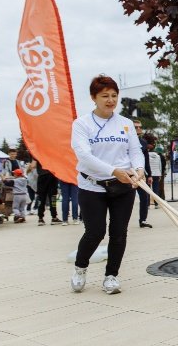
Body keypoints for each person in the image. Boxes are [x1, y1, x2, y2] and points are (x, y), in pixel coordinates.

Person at [70, 74, 146, 295]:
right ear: (94, 97)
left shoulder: (125, 123)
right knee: (95, 232)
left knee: (119, 232)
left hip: (124, 186)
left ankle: (111, 276)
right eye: (105, 96)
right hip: (92, 185)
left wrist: (139, 169)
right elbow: (84, 156)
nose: (110, 100)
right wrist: (113, 171)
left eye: (114, 95)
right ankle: (80, 268)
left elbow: (135, 151)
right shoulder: (81, 124)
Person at [133, 120, 153, 228]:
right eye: (136, 127)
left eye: (140, 127)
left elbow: (146, 159)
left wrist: (149, 174)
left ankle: (143, 220)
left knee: (145, 197)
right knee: (128, 198)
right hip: (130, 173)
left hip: (141, 173)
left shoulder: (143, 143)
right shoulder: (126, 141)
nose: (139, 129)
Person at [146, 135, 163, 209]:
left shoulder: (146, 155)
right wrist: (160, 174)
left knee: (148, 190)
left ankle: (148, 205)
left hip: (149, 175)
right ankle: (156, 204)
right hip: (157, 174)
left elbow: (146, 165)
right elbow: (160, 166)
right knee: (156, 190)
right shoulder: (158, 156)